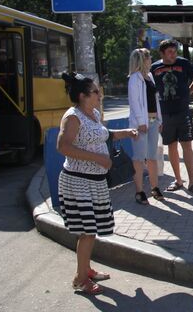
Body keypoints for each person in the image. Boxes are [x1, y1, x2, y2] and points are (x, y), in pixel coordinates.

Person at [56, 72, 138, 295]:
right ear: (82, 95)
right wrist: (99, 159)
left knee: (90, 231)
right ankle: (81, 279)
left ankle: (86, 269)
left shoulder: (92, 113)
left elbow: (103, 135)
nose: (99, 95)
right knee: (88, 232)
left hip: (95, 182)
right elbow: (63, 147)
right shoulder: (72, 116)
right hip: (78, 182)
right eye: (95, 92)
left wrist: (126, 134)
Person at [150, 39, 193, 194]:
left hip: (182, 111)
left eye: (175, 51)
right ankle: (178, 180)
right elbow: (151, 92)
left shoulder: (183, 63)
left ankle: (192, 182)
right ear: (162, 53)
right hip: (165, 114)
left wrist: (188, 92)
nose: (173, 54)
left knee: (187, 145)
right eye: (170, 52)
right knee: (171, 146)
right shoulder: (154, 68)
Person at [128, 48, 163, 205]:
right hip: (141, 123)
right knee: (139, 158)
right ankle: (139, 191)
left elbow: (155, 100)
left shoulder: (149, 77)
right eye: (148, 57)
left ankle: (155, 188)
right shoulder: (134, 79)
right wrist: (141, 122)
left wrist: (160, 120)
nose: (151, 59)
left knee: (152, 156)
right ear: (142, 59)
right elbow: (135, 102)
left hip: (154, 120)